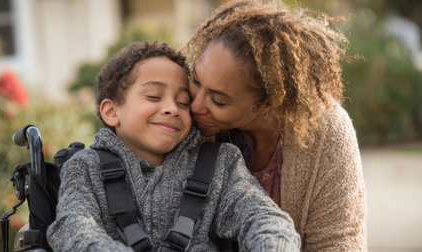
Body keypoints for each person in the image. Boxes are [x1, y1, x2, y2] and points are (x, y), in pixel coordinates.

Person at [46, 41, 300, 251]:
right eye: (154, 96)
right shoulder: (84, 168)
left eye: (183, 102)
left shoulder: (220, 164)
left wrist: (272, 244)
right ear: (112, 111)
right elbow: (73, 227)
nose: (171, 108)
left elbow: (259, 215)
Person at [183, 0, 367, 251]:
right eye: (196, 79)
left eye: (217, 100)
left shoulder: (326, 131)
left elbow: (338, 241)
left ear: (268, 104)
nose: (195, 105)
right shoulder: (182, 118)